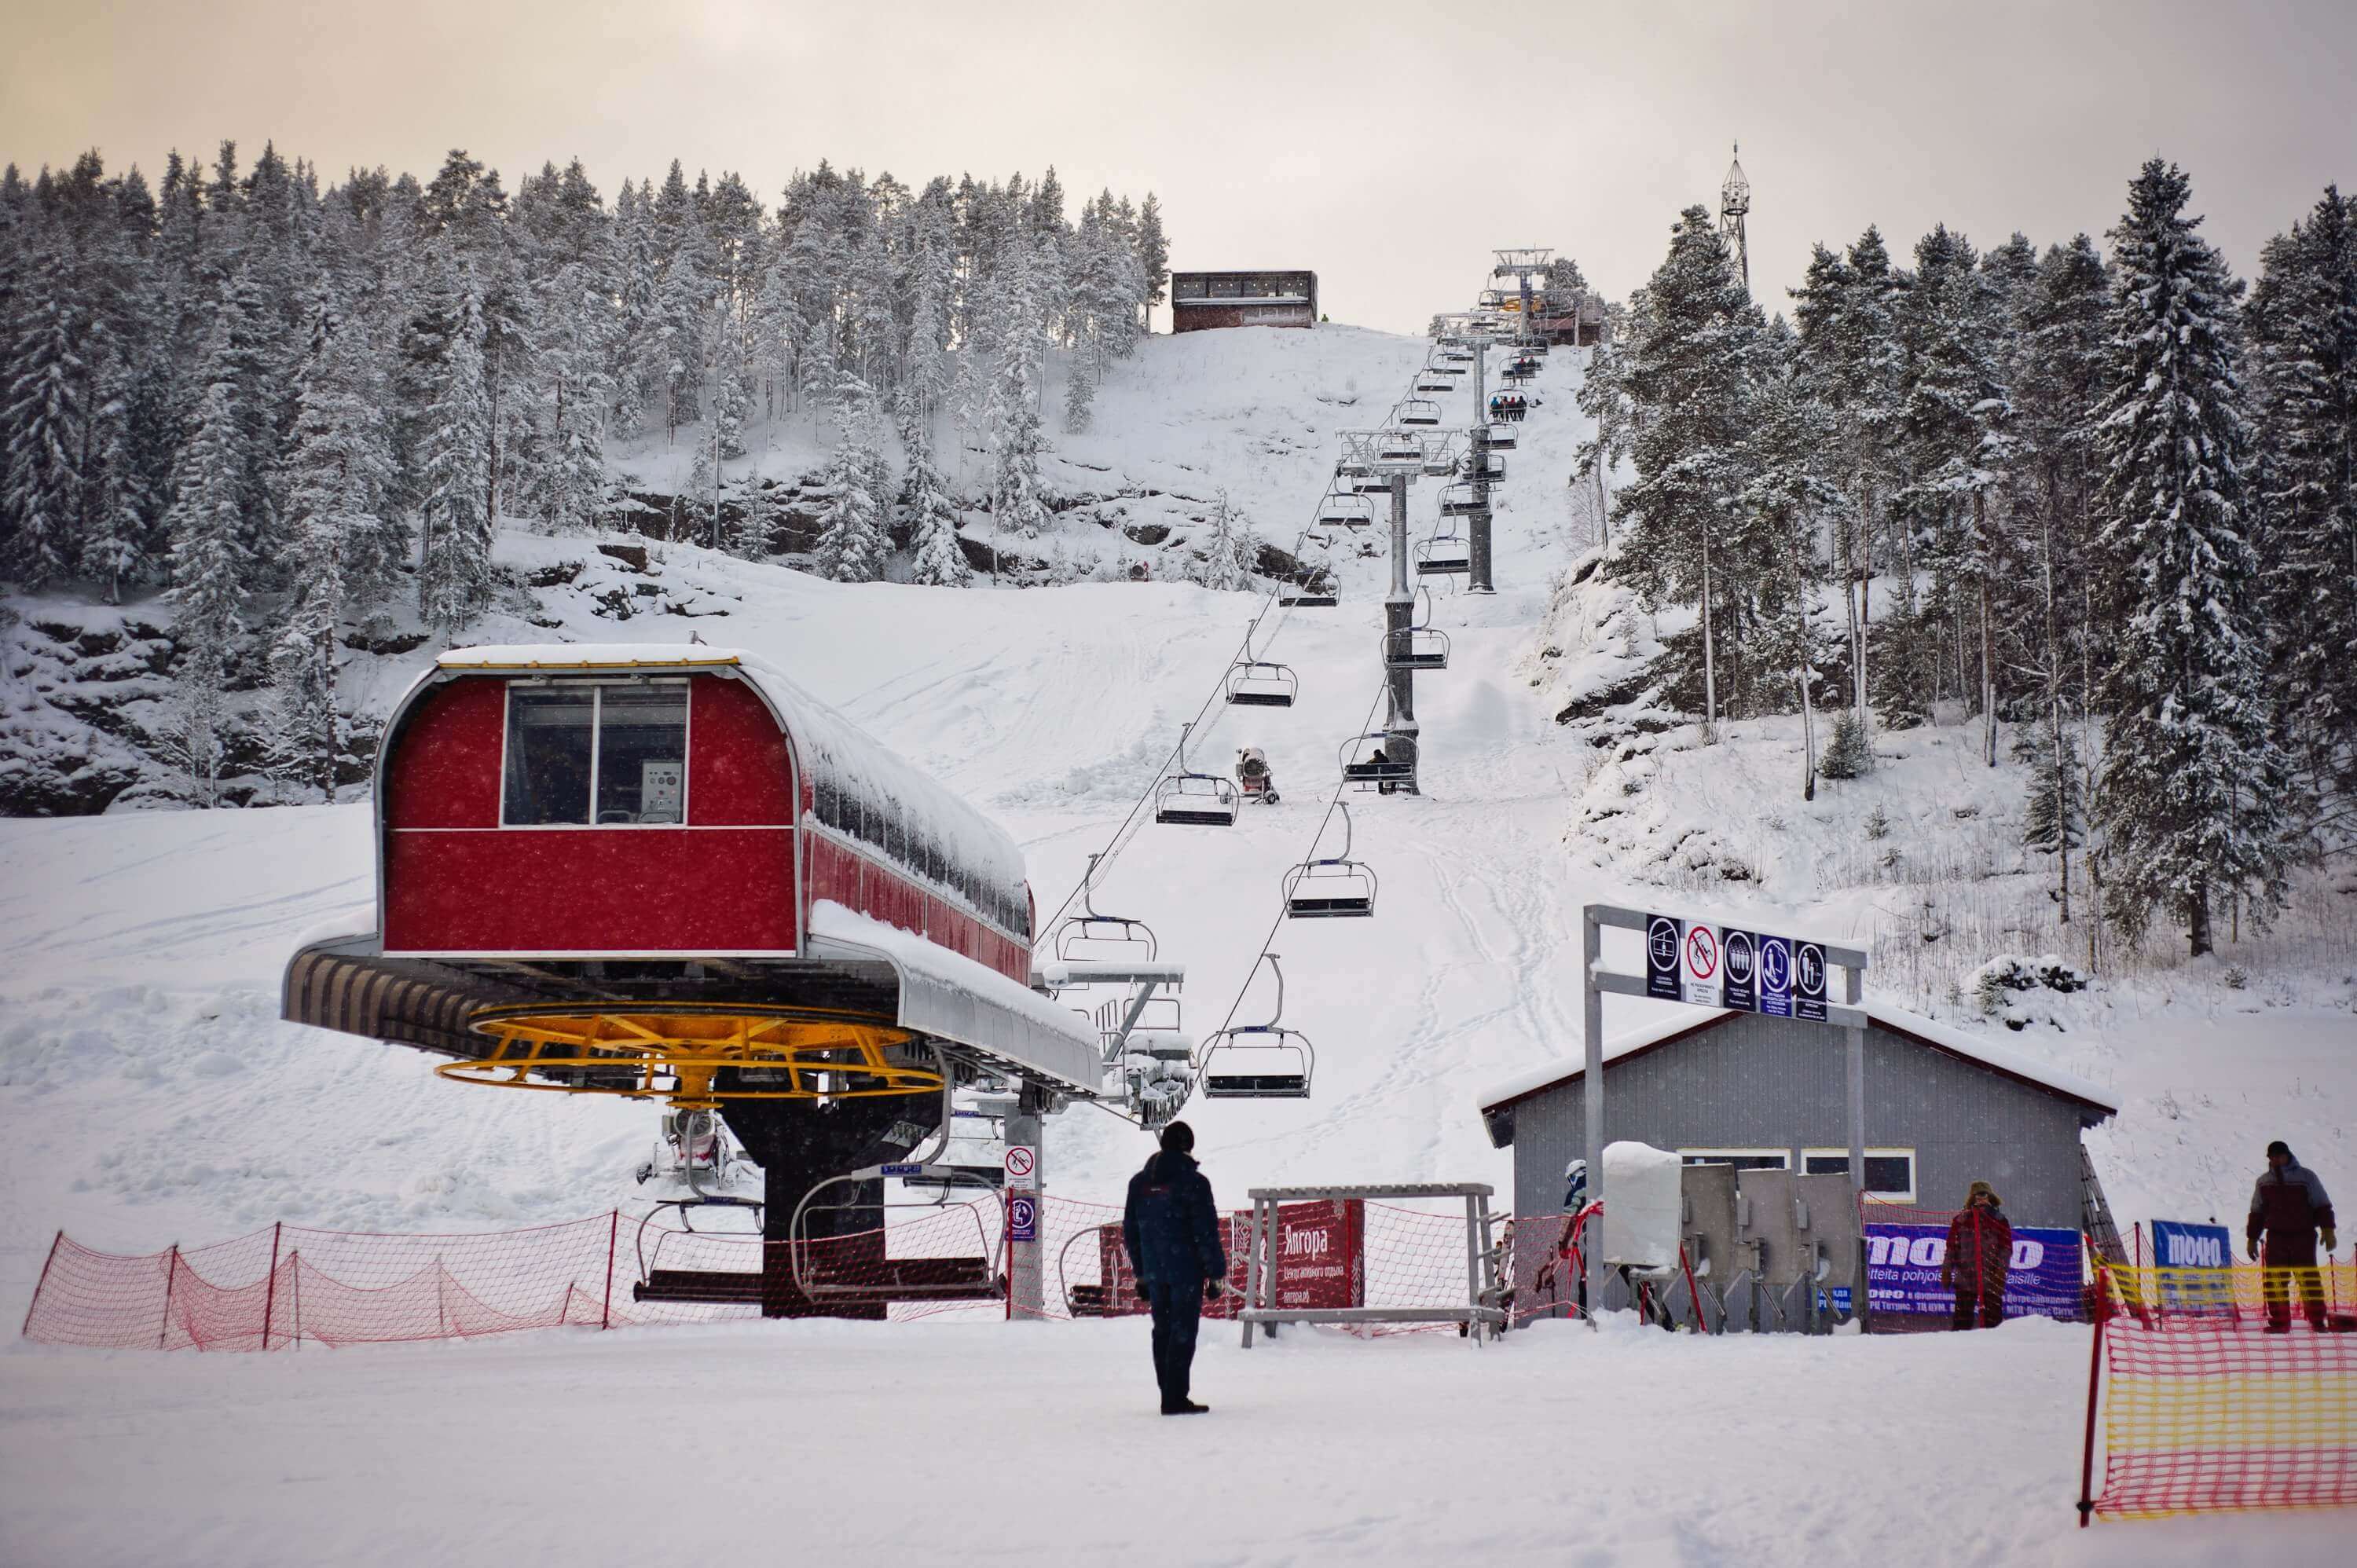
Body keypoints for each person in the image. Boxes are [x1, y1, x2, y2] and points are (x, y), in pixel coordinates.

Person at [1122, 1121, 1227, 1415]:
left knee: (1163, 1330)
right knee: (1182, 1331)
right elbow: (1205, 1232)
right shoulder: (1194, 1183)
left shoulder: (1139, 1184)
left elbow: (1132, 1231)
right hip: (1186, 1272)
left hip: (1155, 1272)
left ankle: (1168, 1392)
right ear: (1187, 1147)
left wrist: (1141, 1273)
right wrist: (1216, 1274)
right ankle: (1174, 1397)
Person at [2248, 1140, 2335, 1332]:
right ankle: (2280, 1322)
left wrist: (2328, 1230)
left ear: (2288, 1155)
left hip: (2303, 1235)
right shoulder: (2263, 1182)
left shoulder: (2306, 1177)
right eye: (2272, 1157)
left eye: (2279, 1156)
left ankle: (2317, 1320)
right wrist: (2252, 1238)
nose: (2275, 1160)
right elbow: (2257, 1212)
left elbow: (2321, 1204)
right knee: (2275, 1281)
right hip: (2276, 1237)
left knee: (2308, 1279)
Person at [1941, 1180, 2012, 1330]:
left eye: (1984, 1195)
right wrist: (1946, 1270)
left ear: (1990, 1197)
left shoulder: (2000, 1220)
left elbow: (2006, 1249)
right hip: (1965, 1277)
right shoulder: (1961, 1220)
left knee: (1993, 1323)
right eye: (1977, 1196)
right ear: (1972, 1199)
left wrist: (2000, 1272)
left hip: (1991, 1277)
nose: (1981, 1199)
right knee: (1961, 1323)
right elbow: (1951, 1248)